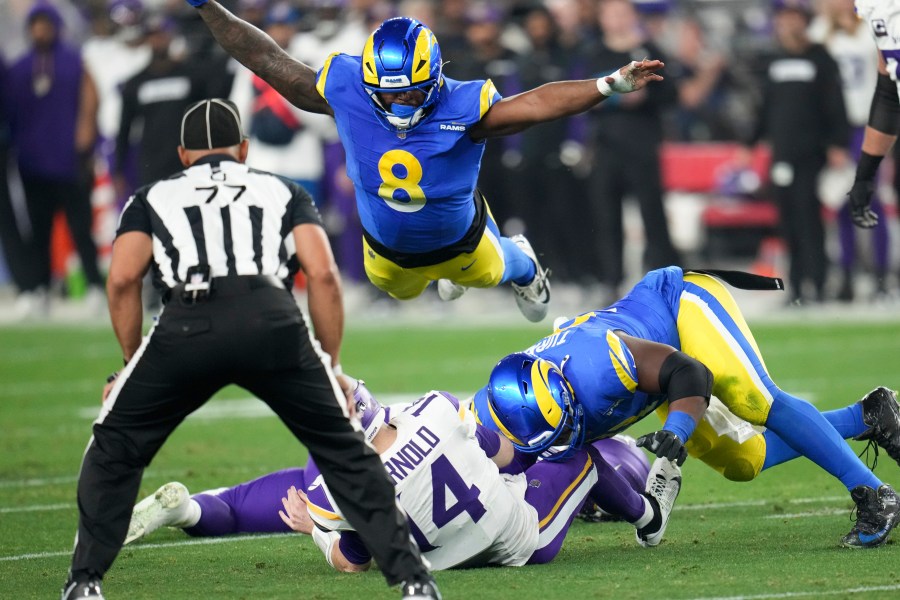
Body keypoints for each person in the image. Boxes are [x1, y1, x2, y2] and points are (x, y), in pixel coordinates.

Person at [59, 99, 437, 600]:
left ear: (183, 154)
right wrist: (333, 366)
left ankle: (85, 582)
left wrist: (131, 366)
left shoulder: (153, 196)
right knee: (345, 453)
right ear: (243, 149)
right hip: (271, 320)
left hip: (187, 324)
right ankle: (413, 581)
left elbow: (124, 278)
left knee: (114, 448)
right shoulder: (282, 189)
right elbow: (322, 274)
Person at [185, 0, 668, 322]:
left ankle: (523, 262)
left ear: (435, 78)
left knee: (498, 271)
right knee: (399, 292)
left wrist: (608, 85)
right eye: (387, 96)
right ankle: (444, 278)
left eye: (412, 93)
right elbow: (265, 58)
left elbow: (536, 104)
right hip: (385, 251)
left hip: (463, 241)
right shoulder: (345, 90)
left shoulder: (464, 106)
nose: (400, 107)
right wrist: (206, 5)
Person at [478, 266, 900, 549]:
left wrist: (677, 430)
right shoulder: (493, 413)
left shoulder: (598, 366)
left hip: (681, 310)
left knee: (752, 398)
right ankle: (868, 416)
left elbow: (691, 373)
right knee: (742, 462)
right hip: (654, 372)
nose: (571, 433)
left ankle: (875, 496)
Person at [124, 381, 678, 571]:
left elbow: (351, 562)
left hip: (443, 550)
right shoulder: (435, 409)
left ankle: (192, 510)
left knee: (264, 497)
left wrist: (315, 529)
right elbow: (508, 455)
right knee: (576, 452)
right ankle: (647, 515)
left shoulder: (342, 491)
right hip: (514, 538)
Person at [741, 0, 849, 304]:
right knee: (787, 221)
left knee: (809, 219)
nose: (787, 24)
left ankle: (818, 282)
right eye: (783, 19)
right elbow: (764, 109)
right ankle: (798, 286)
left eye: (793, 18)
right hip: (782, 154)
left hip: (810, 153)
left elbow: (835, 103)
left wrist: (837, 143)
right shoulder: (773, 61)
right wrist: (750, 143)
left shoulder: (820, 58)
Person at [7, 0, 105, 317]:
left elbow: (91, 99)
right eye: (35, 25)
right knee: (39, 232)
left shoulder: (74, 62)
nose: (40, 31)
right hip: (32, 162)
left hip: (69, 159)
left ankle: (94, 287)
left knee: (81, 228)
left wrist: (84, 144)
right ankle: (41, 289)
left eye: (45, 25)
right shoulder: (19, 68)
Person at [584, 0, 682, 304]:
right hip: (606, 146)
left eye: (622, 13)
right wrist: (613, 98)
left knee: (653, 213)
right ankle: (611, 281)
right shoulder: (593, 54)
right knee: (606, 216)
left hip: (642, 144)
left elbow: (672, 93)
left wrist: (645, 96)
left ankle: (663, 280)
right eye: (611, 13)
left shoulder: (648, 51)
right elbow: (579, 94)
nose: (617, 19)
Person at [809, 0, 888, 302]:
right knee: (842, 205)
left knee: (871, 200)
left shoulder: (873, 26)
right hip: (835, 128)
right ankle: (847, 276)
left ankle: (881, 275)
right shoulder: (820, 31)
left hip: (867, 124)